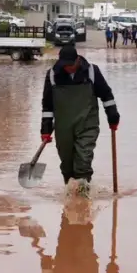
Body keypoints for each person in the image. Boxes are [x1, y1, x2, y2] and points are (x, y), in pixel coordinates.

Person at [40, 45, 120, 192]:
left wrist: (113, 116)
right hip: (63, 128)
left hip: (87, 124)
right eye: (65, 66)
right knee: (67, 165)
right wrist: (45, 129)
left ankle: (83, 198)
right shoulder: (52, 75)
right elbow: (47, 106)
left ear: (77, 60)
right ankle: (71, 198)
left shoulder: (91, 72)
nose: (69, 68)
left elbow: (106, 95)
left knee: (83, 161)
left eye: (71, 65)